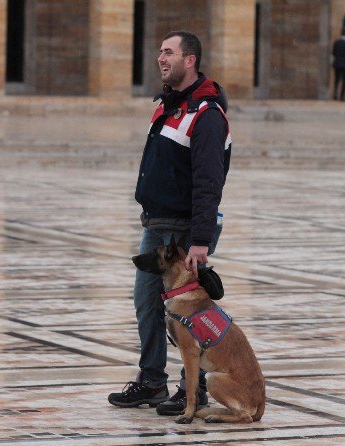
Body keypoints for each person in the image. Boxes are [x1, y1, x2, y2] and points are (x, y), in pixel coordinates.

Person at [108, 30, 231, 417]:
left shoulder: (206, 114)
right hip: (156, 224)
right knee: (146, 302)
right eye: (159, 51)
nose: (161, 58)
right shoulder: (168, 105)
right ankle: (151, 381)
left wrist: (200, 240)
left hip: (184, 231)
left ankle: (192, 388)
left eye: (169, 52)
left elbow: (209, 182)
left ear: (189, 59)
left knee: (190, 311)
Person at [331, 33, 345, 101]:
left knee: (337, 80)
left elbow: (333, 53)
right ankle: (342, 96)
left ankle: (335, 94)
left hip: (337, 64)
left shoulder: (336, 42)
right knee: (344, 80)